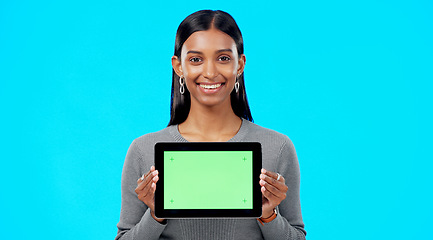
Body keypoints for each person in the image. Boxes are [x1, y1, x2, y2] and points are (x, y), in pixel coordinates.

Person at [115, 10, 306, 240]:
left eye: (223, 58)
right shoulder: (143, 150)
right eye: (196, 59)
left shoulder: (278, 147)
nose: (210, 72)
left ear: (240, 64)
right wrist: (156, 215)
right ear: (178, 66)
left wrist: (268, 216)